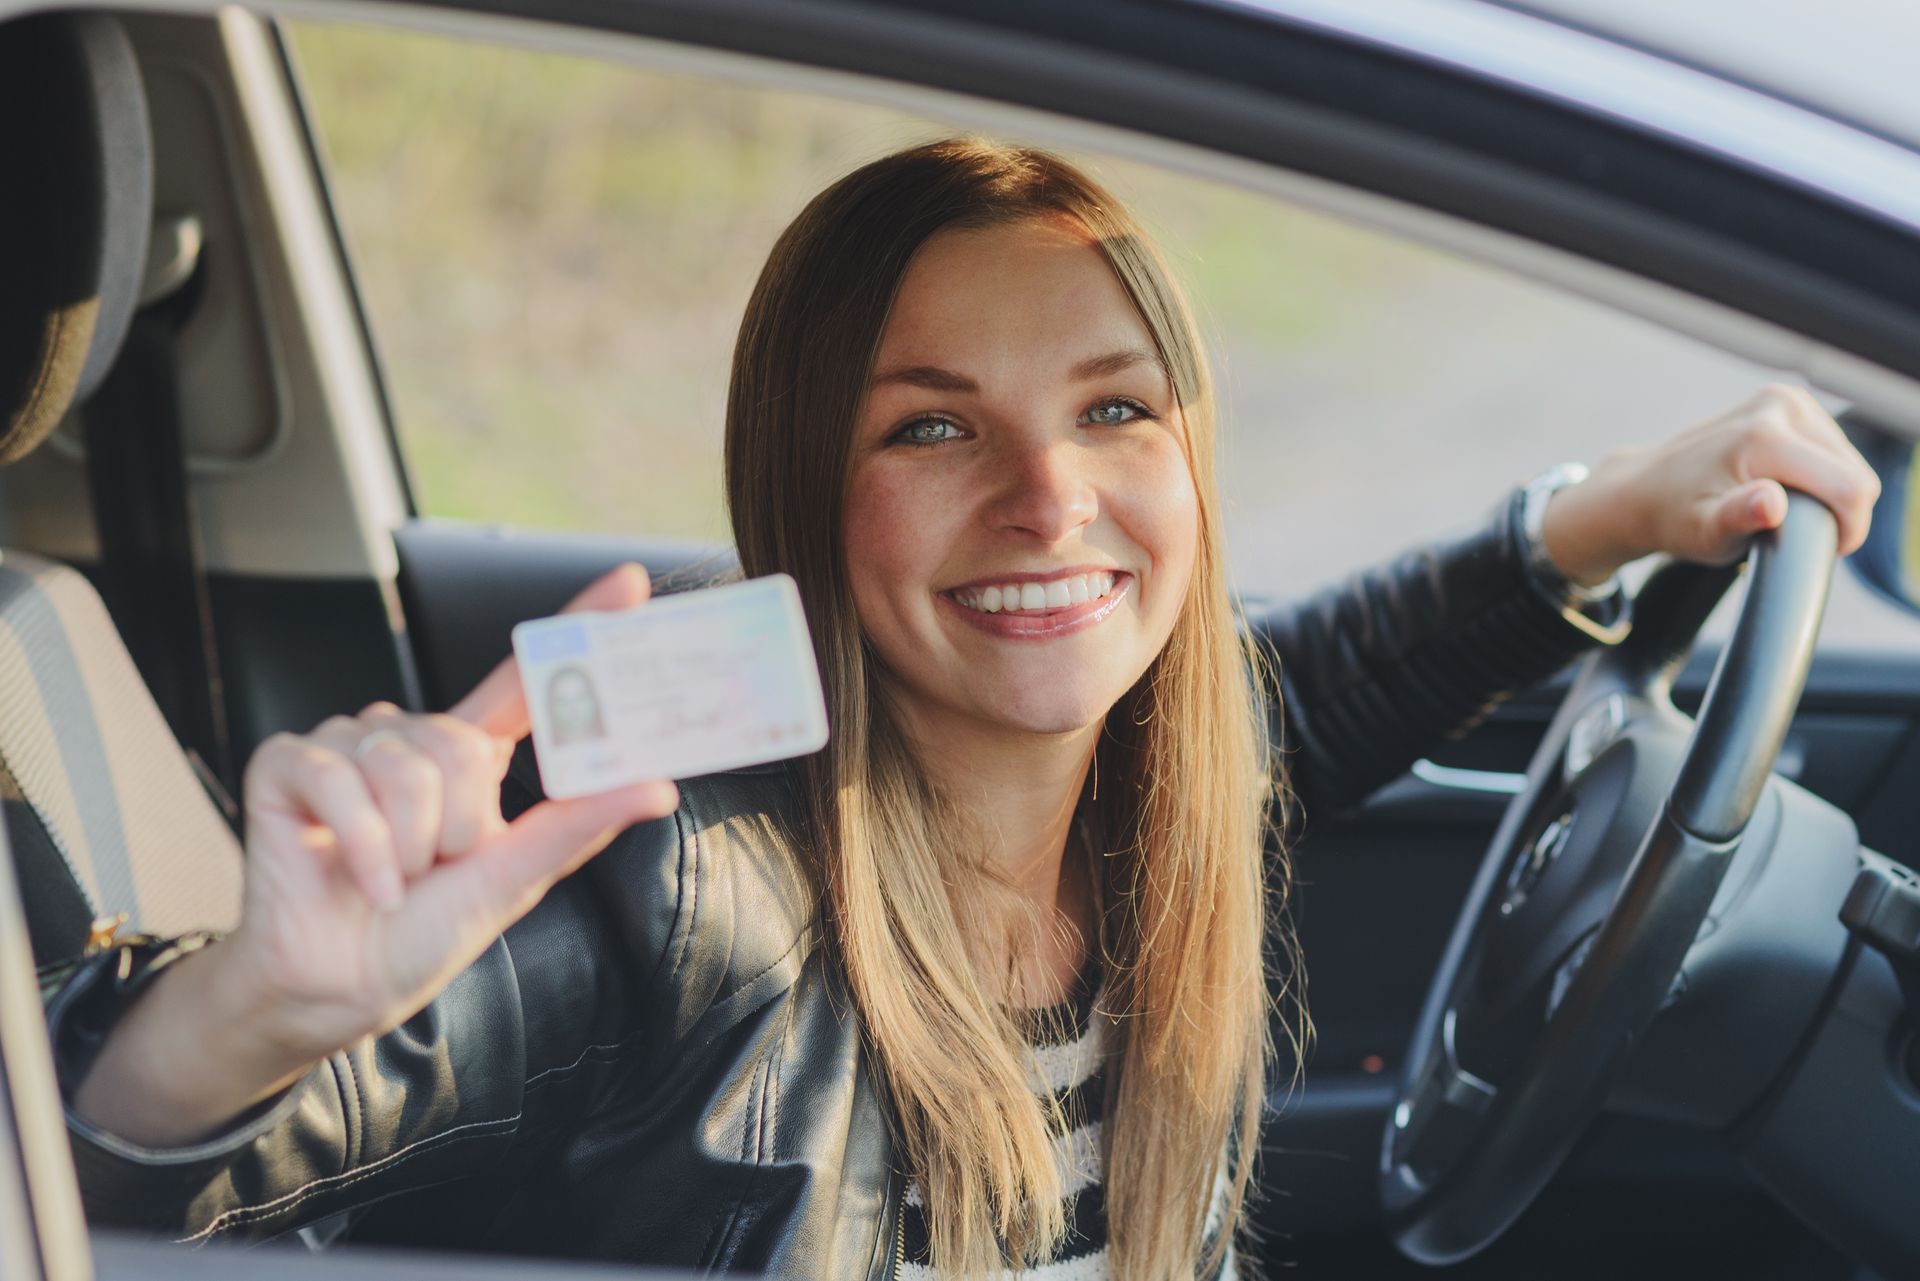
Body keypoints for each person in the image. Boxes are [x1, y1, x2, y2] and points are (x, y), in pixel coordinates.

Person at [46, 139, 1878, 1280]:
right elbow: (108, 1190)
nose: (1048, 499)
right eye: (933, 426)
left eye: (1113, 410)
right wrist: (251, 1012)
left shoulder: (1153, 791)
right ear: (805, 485)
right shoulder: (679, 878)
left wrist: (1609, 508)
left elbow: (1308, 691)